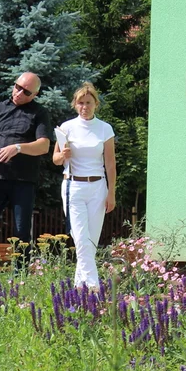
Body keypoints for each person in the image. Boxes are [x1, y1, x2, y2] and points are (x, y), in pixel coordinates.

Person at [0, 73, 53, 248]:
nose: (19, 93)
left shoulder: (39, 113)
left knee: (22, 231)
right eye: (17, 87)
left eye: (26, 92)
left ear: (35, 95)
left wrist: (18, 148)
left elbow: (43, 146)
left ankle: (21, 274)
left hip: (23, 181)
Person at [53, 82, 116, 289]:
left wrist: (111, 193)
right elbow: (55, 159)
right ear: (75, 104)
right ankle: (93, 287)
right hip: (74, 186)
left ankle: (79, 288)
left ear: (95, 104)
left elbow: (110, 163)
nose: (84, 107)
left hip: (97, 187)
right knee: (80, 239)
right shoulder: (67, 127)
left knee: (90, 242)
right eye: (80, 103)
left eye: (88, 103)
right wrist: (63, 155)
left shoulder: (104, 128)